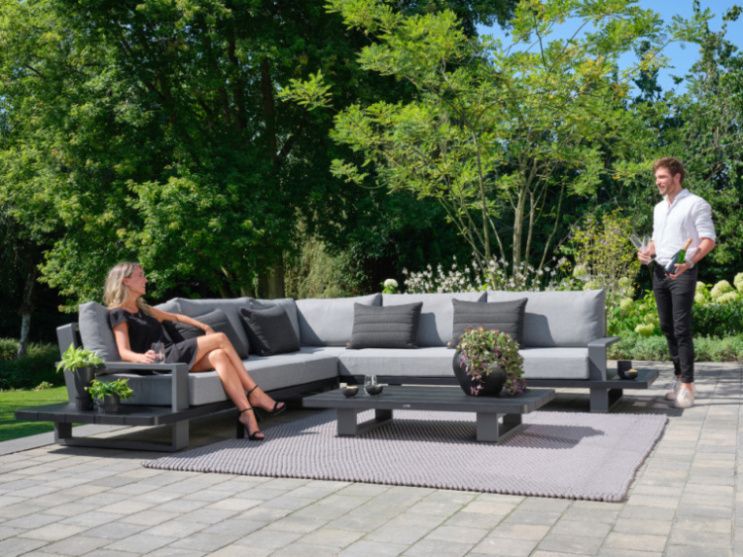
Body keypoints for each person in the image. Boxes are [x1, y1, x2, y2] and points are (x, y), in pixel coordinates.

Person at [104, 262, 285, 440]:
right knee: (220, 338)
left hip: (172, 356)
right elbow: (123, 351)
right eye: (140, 276)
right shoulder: (118, 313)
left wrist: (204, 326)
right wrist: (140, 357)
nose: (145, 280)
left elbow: (176, 317)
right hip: (161, 361)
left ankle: (247, 415)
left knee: (219, 355)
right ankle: (255, 392)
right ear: (125, 281)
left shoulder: (144, 309)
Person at [637, 157, 716, 409]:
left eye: (662, 177)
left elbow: (708, 240)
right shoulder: (659, 208)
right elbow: (656, 241)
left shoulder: (696, 204)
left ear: (677, 177)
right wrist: (647, 252)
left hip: (683, 272)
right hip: (660, 272)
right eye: (656, 178)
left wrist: (689, 262)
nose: (657, 182)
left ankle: (688, 387)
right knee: (667, 326)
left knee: (681, 328)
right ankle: (680, 378)